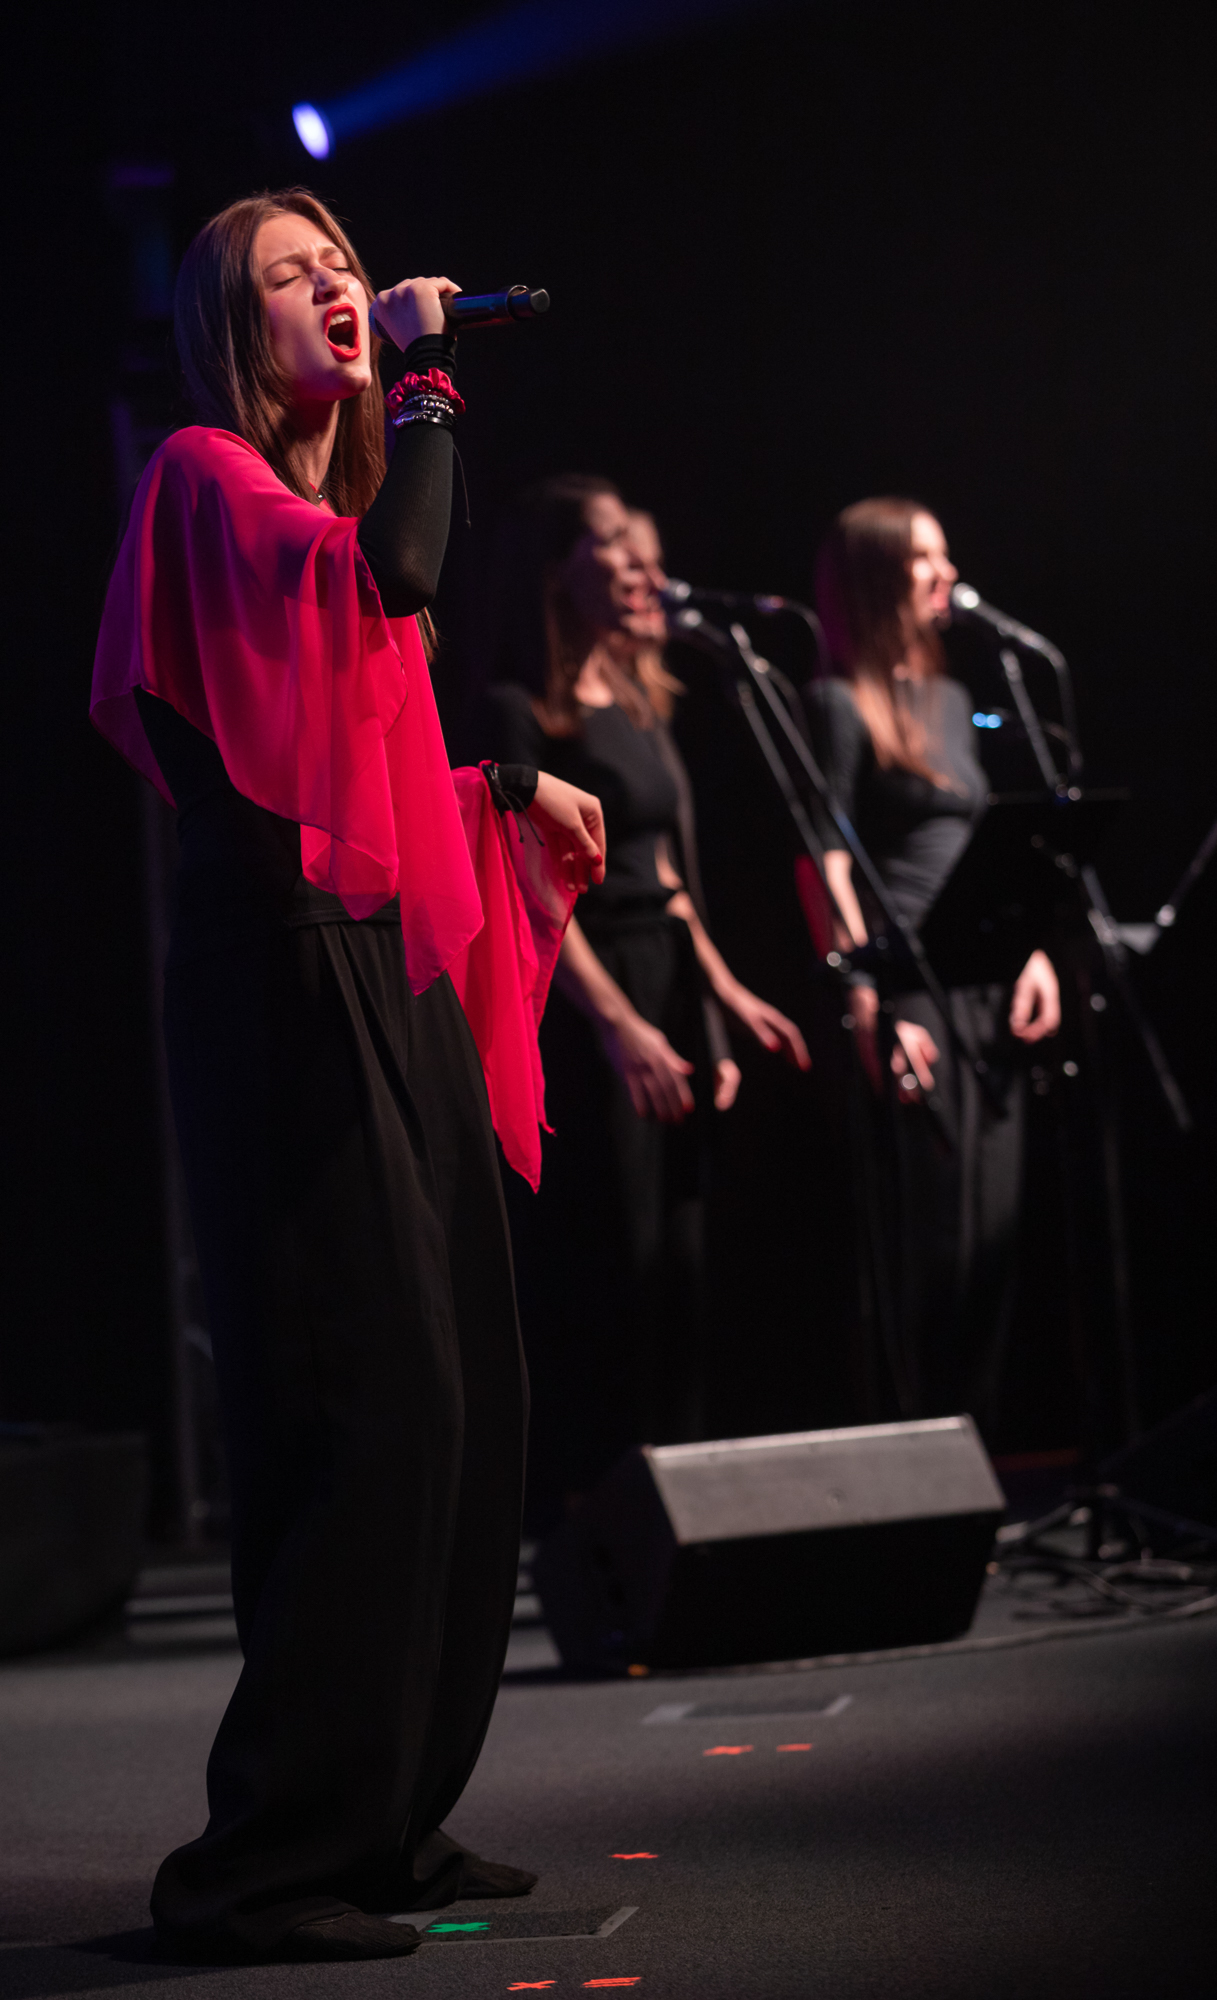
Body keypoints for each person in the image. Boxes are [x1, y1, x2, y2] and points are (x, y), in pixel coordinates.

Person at [90, 189, 606, 1964]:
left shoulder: (318, 523)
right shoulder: (204, 480)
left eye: (344, 268)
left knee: (461, 1397)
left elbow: (354, 788)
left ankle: (387, 1820)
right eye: (292, 276)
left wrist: (499, 794)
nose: (337, 289)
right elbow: (393, 582)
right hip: (281, 988)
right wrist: (434, 383)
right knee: (359, 1406)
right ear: (232, 331)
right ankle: (260, 1861)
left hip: (379, 972)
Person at [480, 476, 809, 1526]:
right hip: (587, 999)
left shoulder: (631, 697)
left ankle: (682, 1511)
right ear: (555, 569)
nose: (635, 563)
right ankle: (595, 1514)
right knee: (610, 1264)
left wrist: (719, 995)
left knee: (680, 1260)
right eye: (610, 542)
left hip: (663, 981)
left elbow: (663, 872)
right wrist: (620, 1027)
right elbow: (527, 892)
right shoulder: (515, 707)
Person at [804, 496, 1060, 1426]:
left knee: (993, 1233)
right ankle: (919, 1459)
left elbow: (982, 848)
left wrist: (1029, 950)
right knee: (933, 1239)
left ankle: (975, 1452)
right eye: (923, 558)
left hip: (988, 986)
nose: (946, 573)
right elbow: (821, 858)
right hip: (908, 989)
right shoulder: (838, 702)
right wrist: (865, 1000)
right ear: (876, 578)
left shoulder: (951, 700)